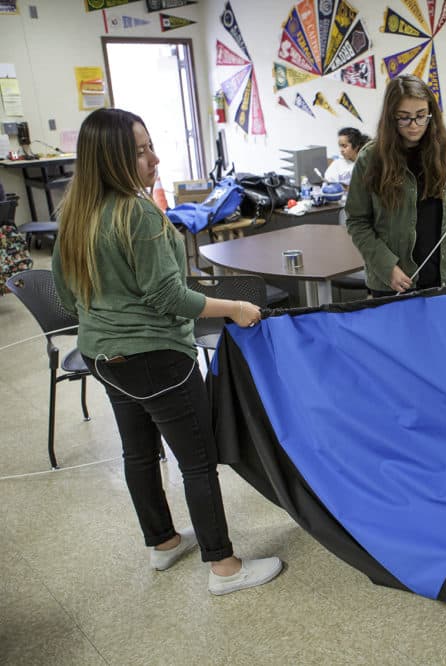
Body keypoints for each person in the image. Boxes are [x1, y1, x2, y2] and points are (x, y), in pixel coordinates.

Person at [52, 108, 284, 595]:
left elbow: (68, 296)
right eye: (139, 150)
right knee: (197, 461)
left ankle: (161, 543)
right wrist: (235, 307)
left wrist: (112, 311)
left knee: (138, 452)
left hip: (102, 356)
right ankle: (224, 567)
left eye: (150, 144)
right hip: (155, 359)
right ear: (111, 158)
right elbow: (170, 298)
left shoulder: (74, 212)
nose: (154, 158)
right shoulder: (138, 213)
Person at [345, 74, 446, 296]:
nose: (414, 125)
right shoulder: (371, 158)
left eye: (421, 116)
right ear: (390, 117)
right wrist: (387, 267)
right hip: (395, 281)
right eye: (404, 117)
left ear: (431, 115)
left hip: (445, 278)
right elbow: (357, 222)